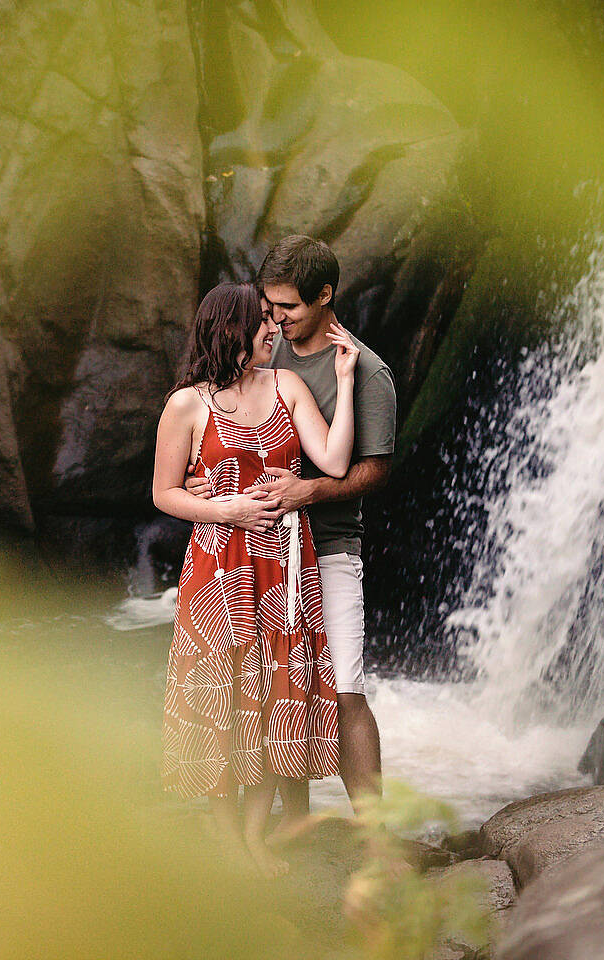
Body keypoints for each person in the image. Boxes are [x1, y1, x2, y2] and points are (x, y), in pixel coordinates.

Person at [187, 236, 395, 830]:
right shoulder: (260, 351)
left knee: (346, 689)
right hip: (255, 553)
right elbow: (218, 426)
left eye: (288, 308)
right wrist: (206, 486)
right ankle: (292, 826)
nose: (274, 320)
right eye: (269, 308)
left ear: (324, 296)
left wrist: (311, 491)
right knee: (277, 687)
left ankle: (376, 839)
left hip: (328, 547)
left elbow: (374, 469)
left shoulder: (366, 369)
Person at [154, 280, 360, 877]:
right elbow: (165, 493)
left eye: (275, 319)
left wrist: (344, 383)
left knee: (276, 700)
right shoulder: (186, 406)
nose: (273, 329)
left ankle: (255, 837)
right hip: (218, 569)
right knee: (223, 698)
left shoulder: (285, 385)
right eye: (261, 321)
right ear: (229, 331)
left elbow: (335, 462)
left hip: (287, 570)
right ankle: (230, 842)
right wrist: (228, 511)